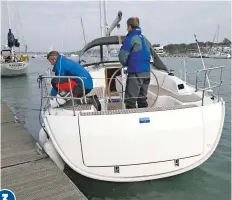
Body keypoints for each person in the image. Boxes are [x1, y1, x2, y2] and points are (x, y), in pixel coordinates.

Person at [119, 17, 152, 109]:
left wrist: (126, 64)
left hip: (135, 73)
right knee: (142, 99)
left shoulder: (130, 38)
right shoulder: (145, 39)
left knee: (130, 101)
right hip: (147, 73)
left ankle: (131, 121)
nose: (126, 29)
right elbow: (150, 54)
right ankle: (144, 119)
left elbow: (122, 56)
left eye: (127, 27)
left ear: (130, 27)